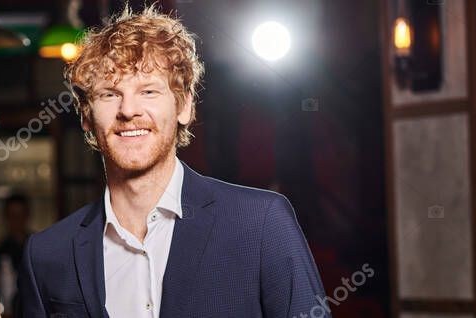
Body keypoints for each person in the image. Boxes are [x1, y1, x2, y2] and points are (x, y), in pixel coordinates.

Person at [19, 6, 328, 318]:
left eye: (148, 91)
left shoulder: (260, 224)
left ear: (184, 107)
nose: (129, 110)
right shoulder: (47, 254)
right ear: (86, 115)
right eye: (109, 95)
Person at [0, 193, 32, 316]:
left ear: (27, 215)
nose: (16, 220)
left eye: (20, 215)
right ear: (6, 217)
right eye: (12, 215)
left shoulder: (37, 249)